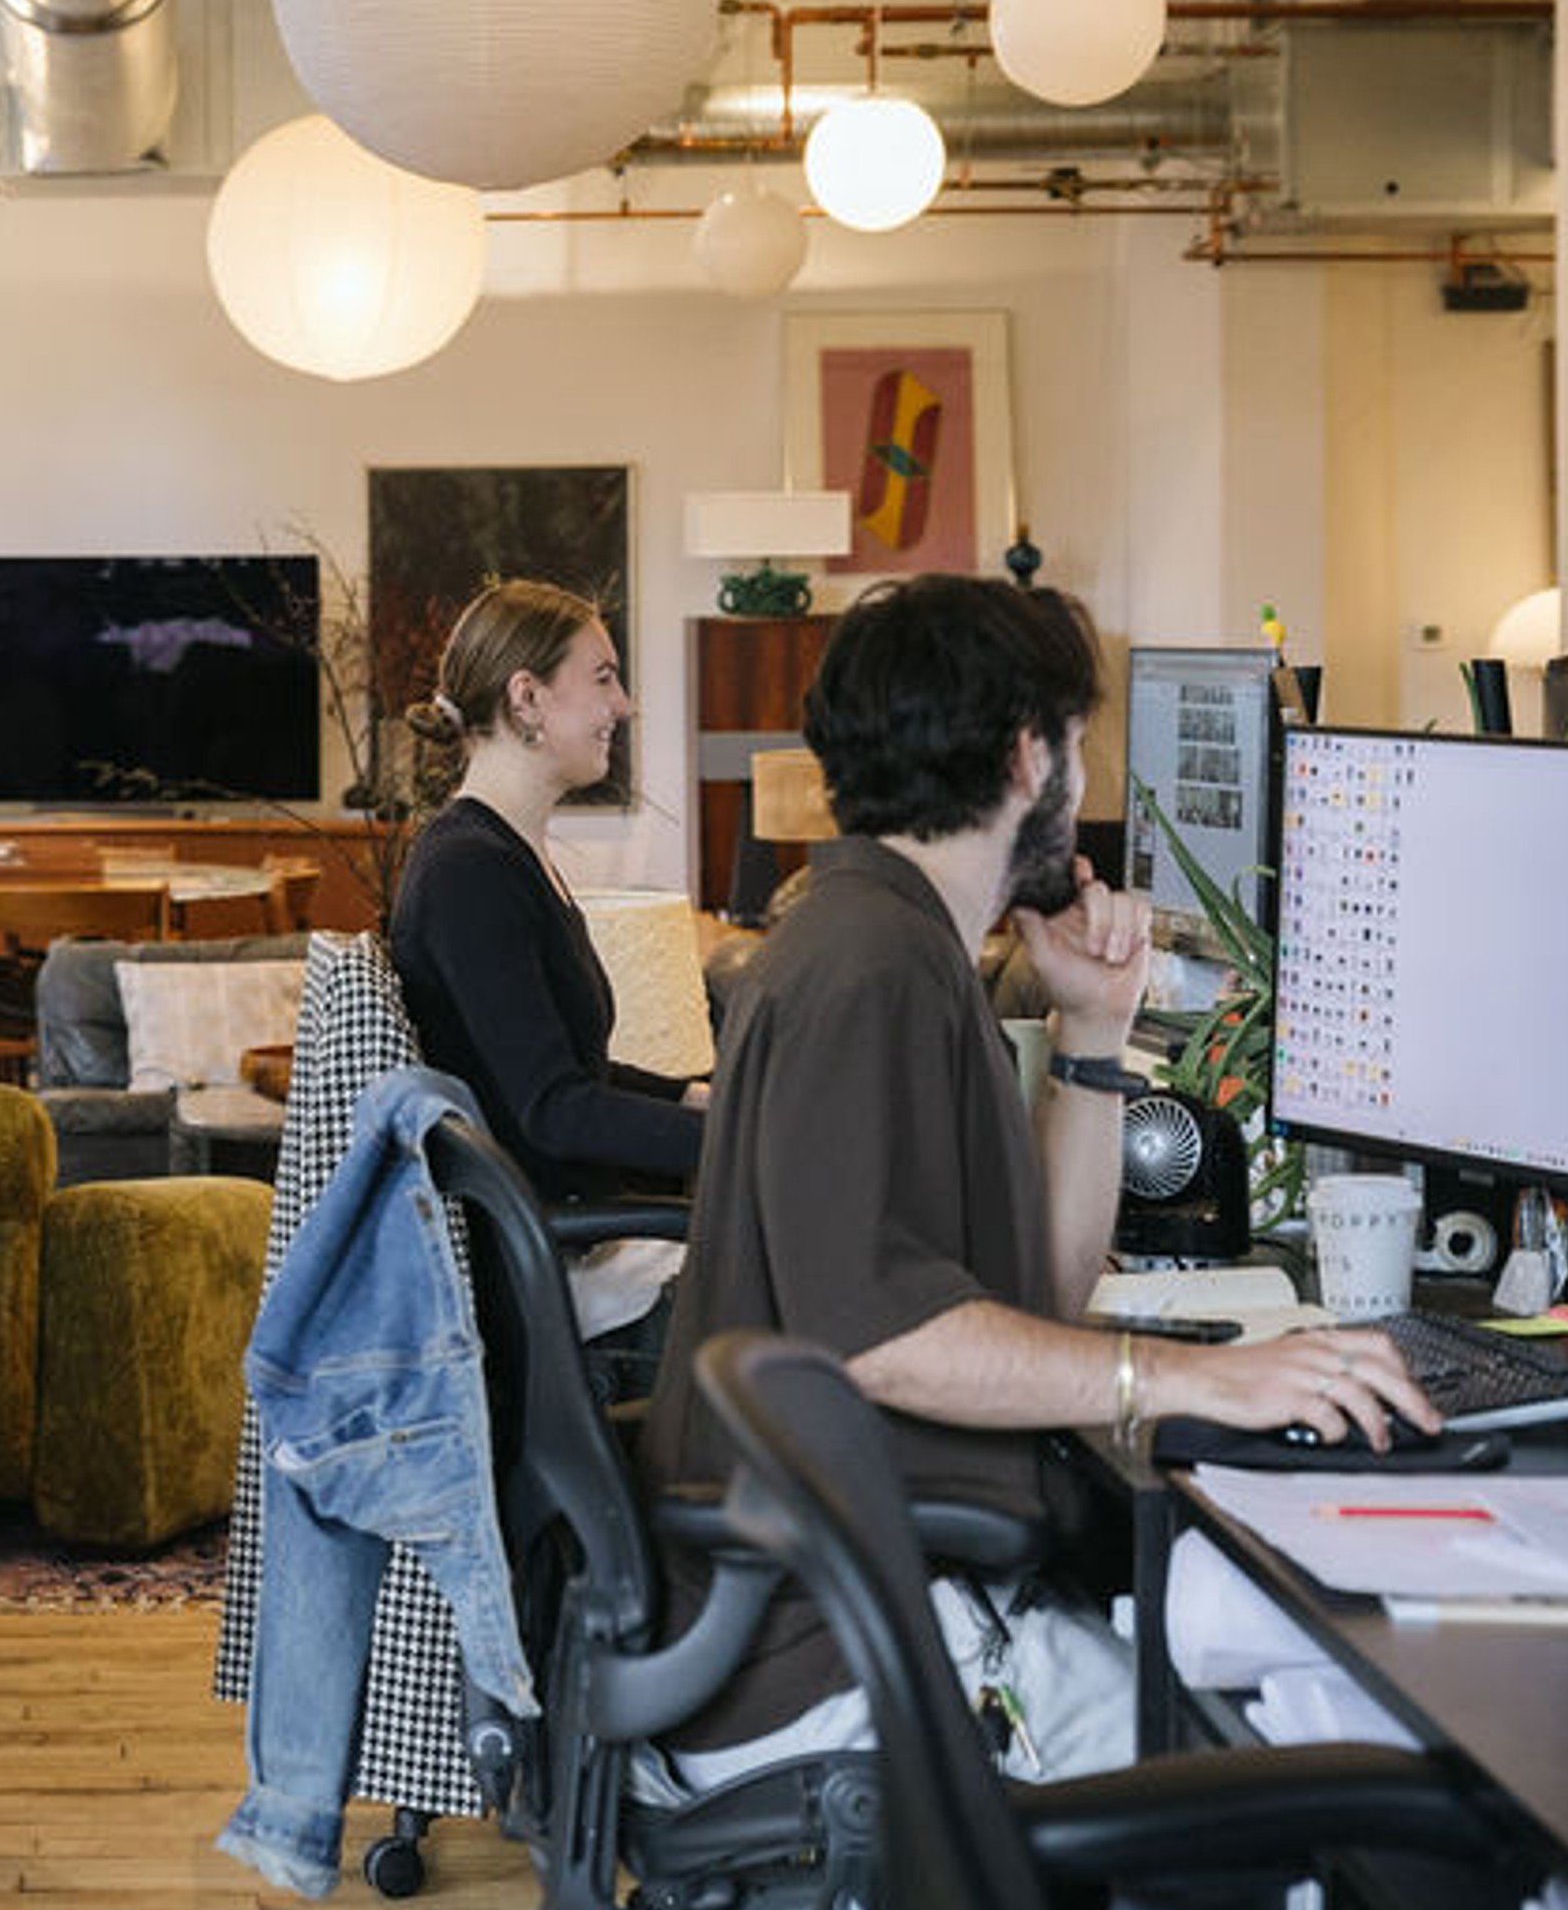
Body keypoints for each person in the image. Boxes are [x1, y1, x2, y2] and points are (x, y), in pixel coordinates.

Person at [637, 572, 1434, 1786]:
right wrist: (1204, 1372)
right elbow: (887, 1343)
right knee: (1299, 1767)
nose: (1084, 776)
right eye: (1074, 743)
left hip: (871, 1606)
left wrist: (1093, 1038)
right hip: (839, 1658)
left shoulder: (893, 936)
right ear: (1025, 758)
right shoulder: (875, 970)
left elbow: (1038, 1296)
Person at [390, 578, 707, 1207]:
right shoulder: (469, 873)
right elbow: (555, 1112)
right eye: (603, 679)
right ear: (527, 698)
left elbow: (561, 1071)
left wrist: (698, 1097)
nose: (623, 705)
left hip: (578, 1226)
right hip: (557, 1258)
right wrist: (751, 1139)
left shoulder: (505, 855)